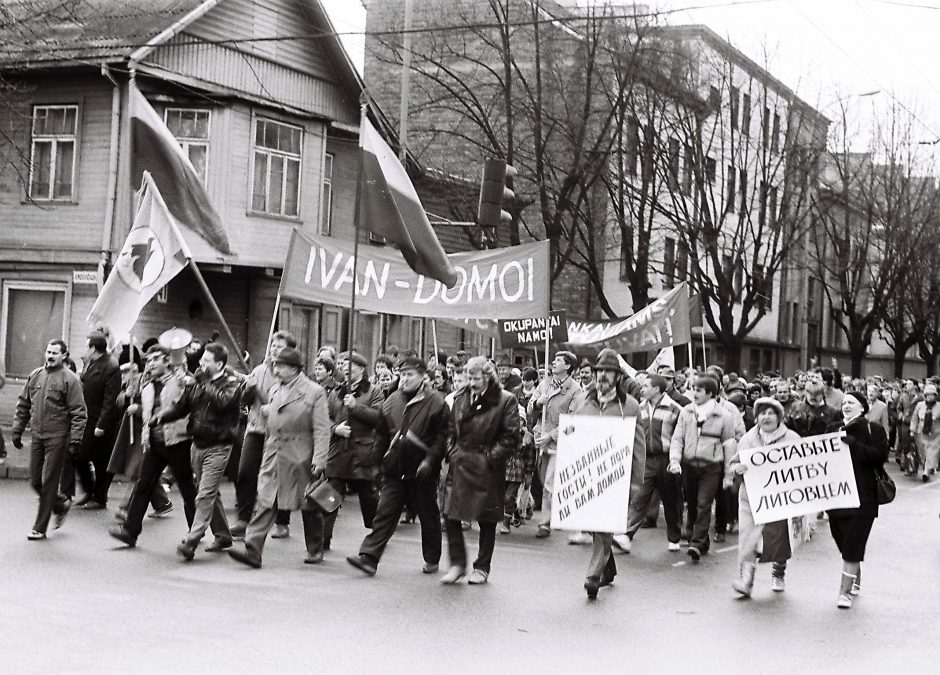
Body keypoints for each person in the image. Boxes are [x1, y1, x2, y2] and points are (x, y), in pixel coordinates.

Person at [228, 347, 331, 568]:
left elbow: (322, 429)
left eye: (279, 365)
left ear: (293, 369)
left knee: (309, 503)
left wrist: (319, 460)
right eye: (274, 364)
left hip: (301, 454)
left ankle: (315, 547)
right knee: (265, 499)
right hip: (274, 452)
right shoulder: (275, 390)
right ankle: (253, 550)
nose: (274, 369)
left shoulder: (314, 392)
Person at [347, 356, 449, 577]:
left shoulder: (436, 402)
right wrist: (377, 462)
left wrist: (430, 461)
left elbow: (442, 438)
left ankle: (432, 558)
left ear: (423, 376)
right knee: (385, 513)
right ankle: (369, 557)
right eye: (402, 374)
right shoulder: (392, 400)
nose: (405, 379)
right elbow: (382, 435)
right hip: (395, 468)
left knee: (428, 514)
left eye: (410, 375)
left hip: (422, 469)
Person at [155, 343, 244, 561]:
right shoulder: (197, 382)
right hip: (198, 443)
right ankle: (223, 535)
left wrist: (203, 381)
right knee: (209, 491)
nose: (201, 364)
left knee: (204, 493)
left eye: (206, 361)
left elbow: (223, 402)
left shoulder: (232, 383)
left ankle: (192, 540)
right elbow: (181, 405)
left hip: (219, 446)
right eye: (202, 360)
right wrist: (163, 416)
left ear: (220, 364)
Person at [108, 345, 198, 548]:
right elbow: (134, 406)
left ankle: (195, 532)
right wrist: (128, 394)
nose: (150, 364)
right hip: (155, 443)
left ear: (167, 360)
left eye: (155, 359)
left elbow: (192, 399)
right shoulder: (147, 386)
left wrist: (186, 380)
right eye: (148, 360)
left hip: (178, 441)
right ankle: (130, 532)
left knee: (187, 490)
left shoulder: (180, 381)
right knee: (143, 485)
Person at [441, 356, 520, 585]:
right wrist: (451, 452)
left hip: (486, 467)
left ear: (488, 377)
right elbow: (449, 430)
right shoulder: (460, 398)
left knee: (486, 519)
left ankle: (482, 567)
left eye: (476, 378)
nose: (471, 383)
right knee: (451, 514)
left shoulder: (505, 401)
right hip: (461, 462)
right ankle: (457, 564)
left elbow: (510, 437)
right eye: (469, 377)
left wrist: (489, 458)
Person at [577, 349, 647, 600]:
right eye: (599, 371)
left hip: (616, 476)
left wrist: (637, 481)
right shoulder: (586, 403)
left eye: (608, 372)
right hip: (588, 475)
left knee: (604, 525)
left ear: (618, 376)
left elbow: (639, 445)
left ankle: (593, 575)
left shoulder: (629, 406)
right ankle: (609, 569)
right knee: (594, 525)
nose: (602, 376)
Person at [12, 339, 87, 540]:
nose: (50, 356)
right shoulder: (35, 375)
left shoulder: (70, 380)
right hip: (37, 434)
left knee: (49, 482)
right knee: (35, 480)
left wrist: (75, 441)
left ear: (64, 355)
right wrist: (17, 429)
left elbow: (79, 413)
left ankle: (40, 527)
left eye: (55, 353)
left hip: (58, 436)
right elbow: (23, 404)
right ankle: (60, 504)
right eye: (48, 352)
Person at [729, 397, 802, 597]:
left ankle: (779, 572)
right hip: (751, 499)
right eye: (762, 413)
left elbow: (801, 467)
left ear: (779, 417)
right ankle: (746, 580)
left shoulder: (792, 438)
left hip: (780, 498)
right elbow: (733, 463)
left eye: (771, 413)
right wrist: (737, 468)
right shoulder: (748, 439)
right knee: (747, 538)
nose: (766, 417)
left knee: (779, 537)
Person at [231, 330, 296, 539]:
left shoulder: (292, 377)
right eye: (273, 346)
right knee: (245, 472)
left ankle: (282, 521)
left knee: (279, 477)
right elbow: (245, 401)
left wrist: (275, 407)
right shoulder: (259, 370)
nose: (274, 350)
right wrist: (248, 389)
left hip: (279, 434)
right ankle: (243, 519)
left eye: (280, 347)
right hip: (257, 429)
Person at [829, 391, 889, 609]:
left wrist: (853, 444)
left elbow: (880, 456)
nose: (846, 406)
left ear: (862, 407)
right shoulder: (832, 428)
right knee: (843, 540)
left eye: (851, 403)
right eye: (843, 402)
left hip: (864, 496)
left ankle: (844, 592)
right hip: (836, 496)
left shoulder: (875, 430)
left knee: (853, 542)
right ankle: (855, 573)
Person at [668, 374, 737, 561]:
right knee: (691, 505)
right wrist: (675, 460)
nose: (694, 394)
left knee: (703, 504)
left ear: (711, 393)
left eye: (698, 390)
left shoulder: (724, 416)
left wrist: (728, 475)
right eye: (693, 389)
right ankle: (701, 540)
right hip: (689, 465)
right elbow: (677, 438)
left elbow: (729, 444)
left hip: (711, 466)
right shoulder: (686, 412)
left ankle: (697, 543)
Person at [613, 374, 681, 554]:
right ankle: (626, 536)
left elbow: (679, 437)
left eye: (645, 386)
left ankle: (674, 537)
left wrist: (676, 460)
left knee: (670, 500)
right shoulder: (639, 408)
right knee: (639, 497)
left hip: (667, 459)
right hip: (646, 459)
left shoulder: (675, 409)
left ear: (657, 389)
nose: (641, 389)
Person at [322, 352, 383, 552]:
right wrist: (335, 429)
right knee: (330, 494)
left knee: (368, 496)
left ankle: (377, 534)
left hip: (362, 452)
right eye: (343, 365)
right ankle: (323, 538)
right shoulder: (336, 391)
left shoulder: (374, 391)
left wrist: (355, 407)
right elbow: (325, 417)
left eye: (350, 365)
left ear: (361, 368)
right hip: (339, 451)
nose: (345, 368)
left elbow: (378, 418)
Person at [62, 332, 121, 509]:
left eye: (87, 346)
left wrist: (102, 424)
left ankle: (99, 497)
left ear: (93, 348)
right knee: (79, 455)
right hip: (87, 418)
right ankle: (90, 491)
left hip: (100, 421)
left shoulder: (111, 366)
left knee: (99, 460)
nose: (85, 350)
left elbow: (110, 399)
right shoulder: (92, 363)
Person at [530, 350, 581, 539]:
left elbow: (573, 419)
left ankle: (545, 523)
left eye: (558, 360)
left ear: (567, 366)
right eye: (554, 359)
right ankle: (557, 511)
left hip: (558, 442)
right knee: (543, 478)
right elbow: (530, 405)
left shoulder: (576, 390)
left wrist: (551, 436)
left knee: (549, 484)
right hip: (539, 437)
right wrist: (537, 403)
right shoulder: (545, 383)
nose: (553, 362)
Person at [910, 382, 940, 482]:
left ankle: (926, 472)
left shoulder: (939, 406)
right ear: (925, 395)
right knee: (922, 452)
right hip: (921, 433)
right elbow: (914, 419)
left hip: (935, 434)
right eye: (928, 395)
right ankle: (927, 468)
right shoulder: (919, 405)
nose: (930, 397)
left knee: (931, 452)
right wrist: (912, 430)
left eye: (932, 395)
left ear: (935, 396)